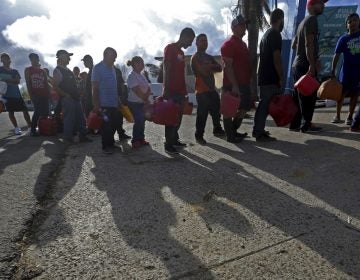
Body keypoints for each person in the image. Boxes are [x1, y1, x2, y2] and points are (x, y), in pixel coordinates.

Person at [289, 0, 328, 133]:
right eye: (320, 3)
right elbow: (308, 44)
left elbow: (293, 45)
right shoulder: (312, 19)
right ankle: (307, 124)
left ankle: (294, 124)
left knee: (297, 96)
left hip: (297, 64)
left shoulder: (302, 23)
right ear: (311, 6)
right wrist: (312, 64)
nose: (323, 5)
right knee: (309, 96)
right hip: (305, 64)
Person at [253, 9, 285, 142]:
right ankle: (258, 133)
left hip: (263, 76)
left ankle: (259, 130)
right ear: (281, 19)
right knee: (264, 105)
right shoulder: (275, 34)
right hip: (270, 77)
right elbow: (276, 57)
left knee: (264, 106)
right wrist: (281, 76)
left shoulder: (265, 34)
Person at [163, 27, 195, 154]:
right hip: (171, 91)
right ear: (184, 37)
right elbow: (167, 68)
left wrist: (185, 89)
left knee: (178, 118)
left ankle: (174, 139)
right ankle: (168, 144)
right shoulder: (170, 48)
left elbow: (181, 73)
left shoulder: (181, 53)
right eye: (190, 40)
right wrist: (166, 88)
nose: (190, 44)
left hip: (181, 91)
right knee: (170, 117)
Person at [220, 15, 252, 143]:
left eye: (245, 25)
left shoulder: (243, 44)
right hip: (231, 84)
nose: (245, 27)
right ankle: (230, 136)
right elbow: (228, 66)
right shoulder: (228, 44)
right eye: (242, 25)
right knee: (229, 110)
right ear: (234, 28)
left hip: (244, 84)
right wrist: (234, 85)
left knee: (244, 108)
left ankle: (232, 131)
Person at [190, 33, 225, 145]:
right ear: (196, 43)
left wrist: (208, 66)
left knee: (216, 111)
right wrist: (211, 67)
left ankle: (217, 129)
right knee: (202, 114)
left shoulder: (209, 57)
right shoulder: (195, 57)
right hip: (201, 90)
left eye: (206, 40)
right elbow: (203, 72)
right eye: (202, 41)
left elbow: (219, 68)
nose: (205, 43)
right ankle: (199, 135)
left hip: (211, 89)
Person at [52, 50, 91, 143]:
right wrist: (66, 95)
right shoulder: (57, 70)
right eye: (67, 56)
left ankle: (83, 136)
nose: (69, 58)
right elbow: (55, 86)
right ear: (61, 57)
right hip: (67, 99)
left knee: (80, 118)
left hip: (76, 98)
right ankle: (68, 139)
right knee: (69, 118)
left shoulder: (68, 70)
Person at [331, 13, 360, 126]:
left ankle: (349, 117)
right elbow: (336, 55)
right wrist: (333, 70)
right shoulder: (343, 39)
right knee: (341, 94)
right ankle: (337, 116)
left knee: (355, 94)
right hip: (346, 72)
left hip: (358, 72)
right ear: (346, 25)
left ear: (359, 22)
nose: (352, 23)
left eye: (355, 20)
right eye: (349, 21)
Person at [92, 47, 122, 154]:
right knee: (106, 126)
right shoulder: (98, 68)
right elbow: (95, 87)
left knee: (114, 124)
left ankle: (111, 144)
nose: (114, 60)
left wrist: (118, 101)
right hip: (104, 103)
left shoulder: (112, 68)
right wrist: (96, 104)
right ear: (106, 55)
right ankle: (106, 146)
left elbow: (114, 87)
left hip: (113, 102)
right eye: (113, 57)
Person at [0, 53, 31, 135]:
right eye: (3, 58)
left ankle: (30, 127)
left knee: (25, 110)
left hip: (17, 95)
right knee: (11, 112)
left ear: (10, 60)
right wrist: (11, 80)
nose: (5, 60)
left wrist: (5, 80)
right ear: (1, 60)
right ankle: (17, 128)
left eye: (7, 58)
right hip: (6, 95)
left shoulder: (15, 71)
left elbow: (17, 81)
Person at [126, 56, 152, 148]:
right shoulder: (131, 76)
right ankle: (135, 140)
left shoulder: (142, 75)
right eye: (141, 63)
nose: (143, 65)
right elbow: (137, 90)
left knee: (142, 120)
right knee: (139, 119)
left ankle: (141, 138)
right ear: (135, 64)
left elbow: (148, 87)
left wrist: (146, 99)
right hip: (134, 103)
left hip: (142, 102)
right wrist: (146, 100)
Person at [24, 53, 50, 136]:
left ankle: (43, 128)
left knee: (45, 112)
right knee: (37, 111)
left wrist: (49, 94)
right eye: (32, 59)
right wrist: (31, 95)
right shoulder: (28, 70)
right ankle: (33, 129)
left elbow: (46, 83)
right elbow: (28, 83)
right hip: (35, 94)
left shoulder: (43, 71)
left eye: (35, 58)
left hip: (45, 94)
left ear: (38, 59)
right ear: (30, 60)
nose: (34, 60)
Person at [114, 66, 131, 140]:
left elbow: (122, 83)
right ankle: (118, 134)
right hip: (112, 97)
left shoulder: (117, 70)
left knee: (119, 116)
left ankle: (121, 133)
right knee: (115, 117)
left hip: (118, 96)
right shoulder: (107, 69)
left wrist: (123, 96)